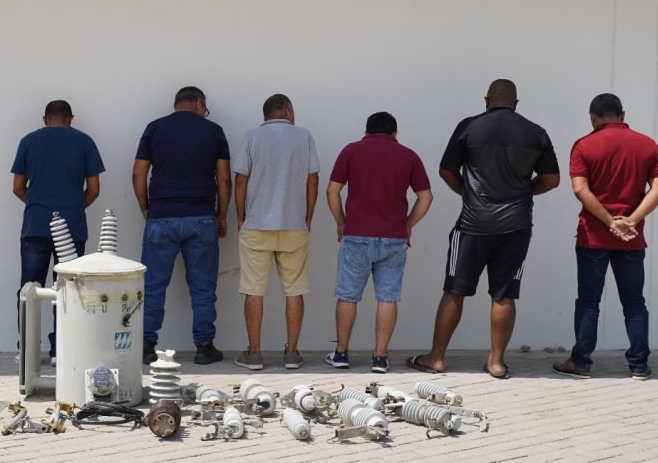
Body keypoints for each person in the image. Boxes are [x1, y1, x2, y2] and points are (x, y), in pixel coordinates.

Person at [407, 79, 560, 379]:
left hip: (473, 224)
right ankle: (497, 363)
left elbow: (446, 170)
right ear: (516, 103)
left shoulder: (469, 127)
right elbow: (552, 179)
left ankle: (436, 358)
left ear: (486, 99)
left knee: (454, 291)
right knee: (504, 295)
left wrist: (467, 192)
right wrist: (524, 192)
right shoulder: (535, 132)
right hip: (516, 225)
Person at [552, 94, 658, 381]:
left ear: (592, 116)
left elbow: (580, 189)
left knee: (589, 301)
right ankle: (639, 365)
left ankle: (580, 363)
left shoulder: (583, 146)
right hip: (631, 238)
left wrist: (607, 220)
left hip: (593, 237)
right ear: (623, 114)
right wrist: (632, 220)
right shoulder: (648, 145)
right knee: (634, 302)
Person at [326, 112, 433, 373]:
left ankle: (341, 353)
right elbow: (426, 197)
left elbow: (332, 190)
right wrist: (407, 225)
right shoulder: (409, 156)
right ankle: (380, 358)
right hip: (393, 239)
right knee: (387, 297)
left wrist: (341, 221)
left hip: (357, 236)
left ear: (366, 130)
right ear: (394, 132)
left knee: (348, 296)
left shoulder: (351, 151)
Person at [133, 86, 231, 365]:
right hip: (201, 217)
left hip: (161, 216)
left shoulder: (154, 128)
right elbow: (224, 179)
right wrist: (221, 214)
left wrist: (145, 206)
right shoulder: (213, 131)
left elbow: (139, 171)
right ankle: (204, 348)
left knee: (152, 284)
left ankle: (147, 345)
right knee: (202, 285)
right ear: (199, 102)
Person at [11, 100, 104, 365]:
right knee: (68, 289)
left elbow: (18, 187)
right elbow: (94, 188)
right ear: (70, 118)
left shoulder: (28, 141)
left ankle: (26, 350)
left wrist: (38, 204)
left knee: (29, 288)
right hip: (72, 226)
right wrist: (73, 207)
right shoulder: (84, 142)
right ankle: (59, 350)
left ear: (45, 118)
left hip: (36, 225)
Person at [232, 94, 319, 371]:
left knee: (253, 290)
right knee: (294, 290)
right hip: (294, 225)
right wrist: (307, 215)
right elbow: (313, 178)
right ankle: (292, 353)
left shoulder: (252, 137)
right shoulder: (304, 137)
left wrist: (241, 216)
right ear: (288, 110)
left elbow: (240, 178)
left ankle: (254, 354)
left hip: (256, 224)